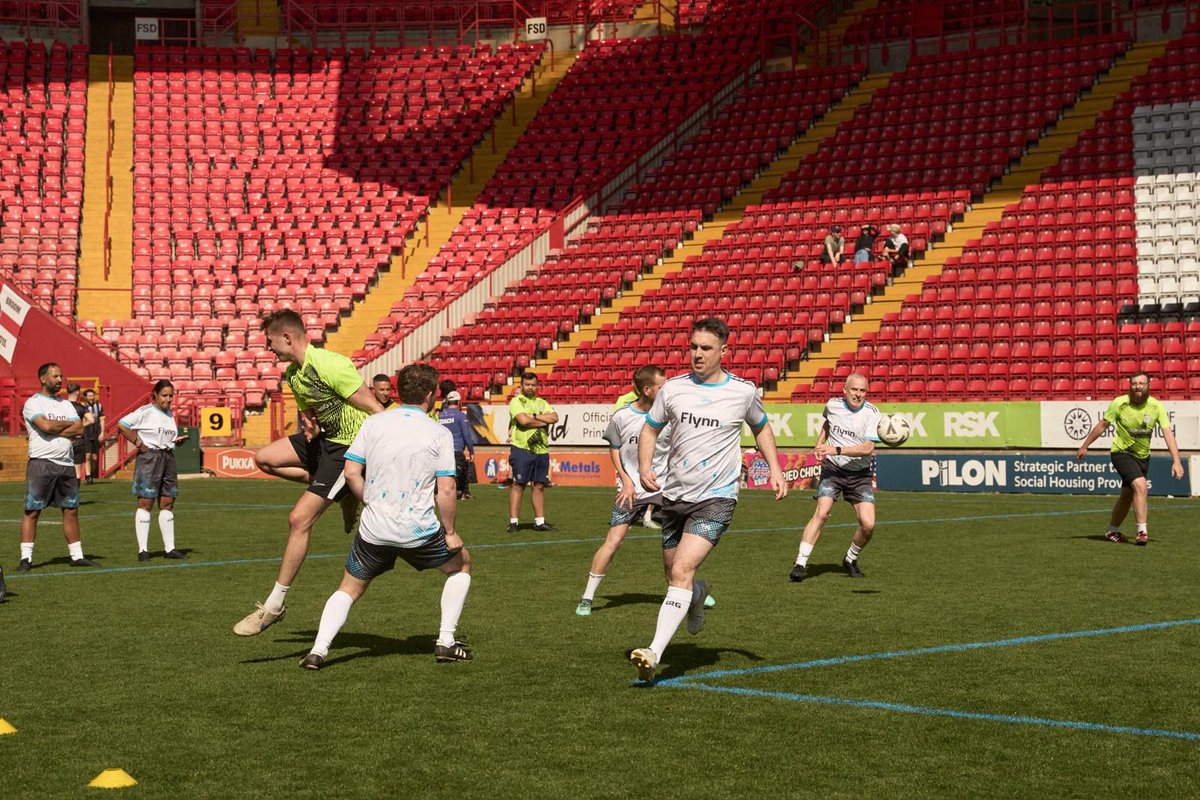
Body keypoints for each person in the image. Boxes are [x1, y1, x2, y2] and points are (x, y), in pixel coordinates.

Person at [629, 318, 787, 682]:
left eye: (706, 348)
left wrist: (775, 469)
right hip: (675, 494)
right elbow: (649, 428)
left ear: (723, 351)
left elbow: (761, 427)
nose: (697, 354)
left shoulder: (743, 392)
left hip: (717, 497)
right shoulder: (673, 390)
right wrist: (644, 467)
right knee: (674, 575)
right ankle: (697, 596)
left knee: (681, 570)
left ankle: (653, 653)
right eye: (694, 347)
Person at [299, 364, 473, 670]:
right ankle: (446, 642)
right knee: (462, 566)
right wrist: (450, 532)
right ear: (431, 395)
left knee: (349, 589)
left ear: (399, 391)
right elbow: (446, 489)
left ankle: (318, 651)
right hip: (418, 530)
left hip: (373, 530)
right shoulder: (438, 432)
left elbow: (351, 471)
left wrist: (370, 501)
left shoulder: (374, 424)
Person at [234, 309, 385, 636]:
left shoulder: (330, 364)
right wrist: (309, 423)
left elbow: (376, 410)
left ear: (287, 337)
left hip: (348, 447)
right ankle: (341, 491)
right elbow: (310, 414)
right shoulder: (293, 375)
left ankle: (274, 606)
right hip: (325, 441)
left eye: (271, 342)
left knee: (298, 519)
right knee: (264, 458)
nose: (269, 348)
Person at [789, 373, 882, 583]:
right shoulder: (832, 405)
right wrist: (819, 444)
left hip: (860, 475)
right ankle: (800, 563)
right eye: (854, 389)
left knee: (868, 524)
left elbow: (867, 448)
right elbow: (827, 424)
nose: (858, 394)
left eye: (862, 391)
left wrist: (835, 448)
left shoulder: (872, 413)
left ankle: (850, 559)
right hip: (833, 470)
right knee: (822, 513)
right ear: (845, 390)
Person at [1075, 371, 1185, 545]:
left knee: (1127, 495)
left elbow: (1167, 434)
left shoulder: (1156, 407)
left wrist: (1177, 461)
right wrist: (1085, 445)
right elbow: (1103, 425)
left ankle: (1112, 531)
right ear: (1129, 386)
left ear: (1149, 385)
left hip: (1143, 457)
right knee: (1141, 486)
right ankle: (1142, 531)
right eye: (1134, 384)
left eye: (1141, 383)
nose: (1137, 387)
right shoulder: (1119, 403)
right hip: (1121, 453)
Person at [19, 363, 100, 571]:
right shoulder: (33, 403)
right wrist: (63, 426)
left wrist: (54, 428)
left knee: (71, 510)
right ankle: (26, 558)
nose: (59, 379)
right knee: (33, 511)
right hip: (41, 462)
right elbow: (44, 426)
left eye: (61, 376)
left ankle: (77, 555)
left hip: (66, 463)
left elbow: (80, 427)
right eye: (55, 376)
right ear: (43, 379)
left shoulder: (66, 405)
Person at [117, 380, 189, 561]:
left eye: (171, 395)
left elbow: (165, 436)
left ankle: (170, 548)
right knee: (145, 503)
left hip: (168, 457)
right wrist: (138, 443)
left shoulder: (170, 414)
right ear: (155, 395)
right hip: (149, 459)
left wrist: (176, 440)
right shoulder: (146, 411)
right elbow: (122, 425)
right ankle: (143, 550)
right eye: (165, 395)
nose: (169, 399)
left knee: (167, 503)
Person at [507, 372, 558, 533]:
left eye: (533, 385)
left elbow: (555, 417)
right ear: (521, 385)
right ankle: (514, 522)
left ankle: (539, 521)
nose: (530, 387)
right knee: (518, 485)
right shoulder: (516, 401)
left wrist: (533, 416)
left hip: (541, 449)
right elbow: (523, 421)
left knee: (539, 485)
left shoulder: (542, 402)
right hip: (522, 448)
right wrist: (542, 421)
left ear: (537, 386)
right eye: (527, 384)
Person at [437, 390, 475, 499]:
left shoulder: (440, 416)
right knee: (462, 470)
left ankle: (438, 493)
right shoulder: (460, 416)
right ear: (459, 402)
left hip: (442, 450)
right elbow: (466, 434)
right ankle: (464, 493)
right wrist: (471, 451)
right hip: (456, 449)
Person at [65, 382, 91, 482]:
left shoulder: (61, 405)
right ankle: (74, 495)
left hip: (64, 439)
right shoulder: (81, 407)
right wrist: (79, 426)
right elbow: (91, 419)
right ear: (77, 392)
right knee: (77, 471)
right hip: (78, 440)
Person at [82, 387, 104, 484]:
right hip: (86, 435)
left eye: (92, 395)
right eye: (89, 396)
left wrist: (102, 433)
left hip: (95, 434)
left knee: (94, 457)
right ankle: (88, 477)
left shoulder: (99, 406)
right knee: (87, 456)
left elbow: (102, 420)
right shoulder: (82, 407)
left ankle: (91, 473)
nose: (91, 397)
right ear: (85, 397)